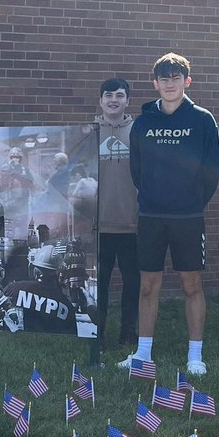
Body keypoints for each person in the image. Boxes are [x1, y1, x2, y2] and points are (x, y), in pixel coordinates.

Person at [121, 53, 219, 375]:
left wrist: (194, 201)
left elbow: (213, 168)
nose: (169, 83)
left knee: (191, 285)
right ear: (155, 83)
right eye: (163, 78)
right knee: (148, 285)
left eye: (175, 77)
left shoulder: (202, 119)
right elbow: (136, 168)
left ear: (186, 81)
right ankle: (143, 353)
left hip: (188, 218)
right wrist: (153, 196)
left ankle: (195, 356)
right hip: (151, 216)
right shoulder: (144, 122)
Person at [95, 77, 138, 350]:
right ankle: (97, 334)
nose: (114, 100)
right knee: (98, 285)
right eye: (108, 95)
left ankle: (128, 332)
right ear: (100, 101)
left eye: (119, 95)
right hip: (97, 226)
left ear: (127, 101)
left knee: (132, 283)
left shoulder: (138, 132)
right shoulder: (88, 132)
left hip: (132, 225)